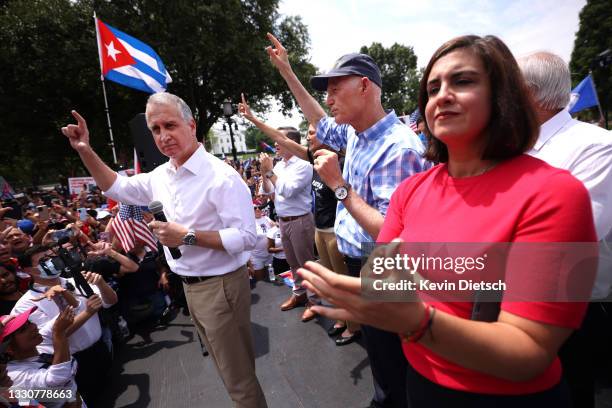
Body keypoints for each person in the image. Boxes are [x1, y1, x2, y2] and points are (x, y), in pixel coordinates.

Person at [298, 35, 597, 407]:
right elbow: (384, 285)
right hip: (422, 384)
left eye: (463, 81)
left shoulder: (556, 194)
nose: (442, 95)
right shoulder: (413, 191)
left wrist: (419, 318)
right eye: (433, 86)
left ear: (503, 96)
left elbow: (530, 351)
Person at [61, 92, 267, 408]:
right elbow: (115, 187)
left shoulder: (222, 177)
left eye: (169, 125)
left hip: (221, 287)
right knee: (229, 373)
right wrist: (85, 150)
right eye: (155, 129)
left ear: (192, 124)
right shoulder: (161, 175)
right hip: (192, 287)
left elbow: (246, 238)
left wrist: (187, 237)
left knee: (238, 379)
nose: (163, 136)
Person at [266, 33, 429, 406]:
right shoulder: (358, 134)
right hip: (362, 265)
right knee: (381, 355)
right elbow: (319, 122)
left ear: (365, 86)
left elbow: (395, 232)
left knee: (395, 363)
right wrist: (288, 73)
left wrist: (339, 186)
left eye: (335, 89)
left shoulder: (398, 148)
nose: (328, 99)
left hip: (386, 269)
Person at [519, 51, 612, 408]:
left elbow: (573, 236)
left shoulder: (596, 146)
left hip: (570, 312)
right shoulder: (511, 147)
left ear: (527, 93)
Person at [259, 128, 315, 321]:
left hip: (300, 220)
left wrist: (269, 171)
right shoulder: (279, 166)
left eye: (278, 139)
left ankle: (314, 301)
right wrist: (264, 173)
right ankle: (299, 294)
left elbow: (287, 191)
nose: (275, 143)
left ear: (291, 142)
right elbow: (266, 192)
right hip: (283, 221)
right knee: (293, 263)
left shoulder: (304, 165)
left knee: (306, 264)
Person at [2, 306, 84, 407]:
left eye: (29, 322)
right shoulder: (13, 374)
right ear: (8, 348)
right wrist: (59, 334)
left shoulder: (39, 341)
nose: (33, 327)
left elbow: (67, 313)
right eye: (23, 329)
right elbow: (57, 378)